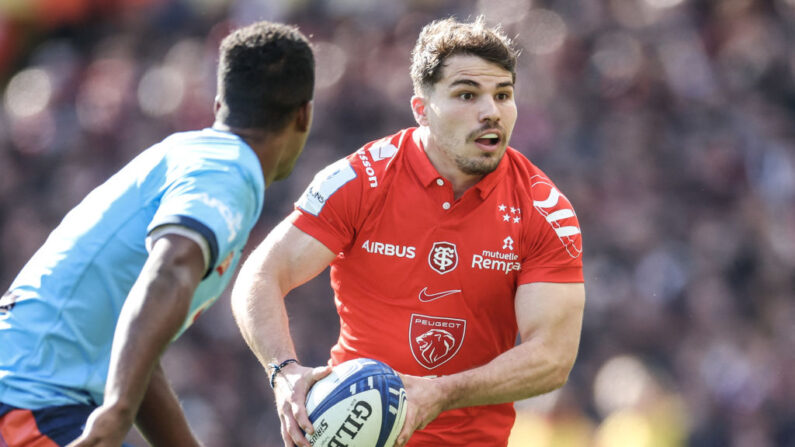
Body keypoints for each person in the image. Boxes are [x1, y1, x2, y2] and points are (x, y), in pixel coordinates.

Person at [231, 16, 585, 447]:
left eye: (503, 94)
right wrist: (284, 372)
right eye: (467, 94)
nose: (491, 111)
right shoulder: (361, 180)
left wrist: (440, 392)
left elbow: (552, 357)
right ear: (422, 109)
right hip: (352, 435)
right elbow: (260, 275)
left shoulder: (543, 208)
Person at [0, 21, 315, 447]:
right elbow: (169, 271)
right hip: (33, 398)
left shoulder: (191, 156)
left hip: (33, 387)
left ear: (219, 104)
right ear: (304, 114)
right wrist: (117, 411)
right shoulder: (227, 170)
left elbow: (137, 352)